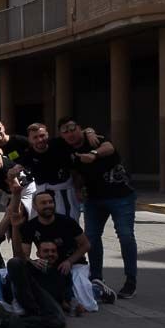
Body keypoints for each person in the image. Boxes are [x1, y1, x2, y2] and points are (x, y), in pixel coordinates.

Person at [59, 117, 138, 298]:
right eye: (65, 131)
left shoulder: (94, 139)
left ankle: (131, 281)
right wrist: (78, 189)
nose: (70, 133)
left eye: (72, 128)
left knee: (125, 235)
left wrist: (93, 154)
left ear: (80, 128)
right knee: (91, 238)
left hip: (121, 196)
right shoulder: (69, 151)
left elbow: (109, 148)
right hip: (94, 199)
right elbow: (76, 173)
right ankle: (96, 279)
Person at [11, 189, 99, 312]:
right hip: (50, 264)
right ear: (35, 207)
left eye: (50, 202)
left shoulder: (67, 222)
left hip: (74, 264)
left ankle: (97, 290)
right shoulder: (30, 226)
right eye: (43, 203)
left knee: (88, 306)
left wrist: (69, 261)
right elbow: (23, 256)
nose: (48, 205)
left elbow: (86, 245)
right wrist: (33, 262)